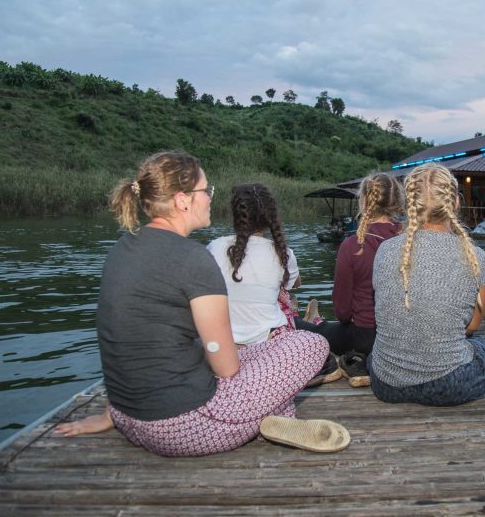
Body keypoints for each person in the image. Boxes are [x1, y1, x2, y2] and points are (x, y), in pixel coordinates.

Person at [54, 151, 350, 455]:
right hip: (186, 426)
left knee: (254, 351)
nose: (210, 197)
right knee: (309, 344)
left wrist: (112, 413)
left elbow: (128, 340)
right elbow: (225, 367)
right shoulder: (193, 258)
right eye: (205, 190)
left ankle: (272, 412)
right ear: (183, 200)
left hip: (126, 415)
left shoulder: (123, 247)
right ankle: (273, 413)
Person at [368, 163, 485, 406]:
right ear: (455, 203)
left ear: (408, 205)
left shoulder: (384, 250)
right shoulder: (476, 257)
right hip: (449, 385)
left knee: (377, 353)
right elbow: (473, 326)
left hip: (385, 383)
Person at [206, 183, 341, 385]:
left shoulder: (214, 247)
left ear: (236, 215)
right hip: (269, 347)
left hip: (224, 348)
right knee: (315, 340)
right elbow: (295, 284)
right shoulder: (282, 253)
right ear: (270, 217)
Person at [296, 172, 403, 387]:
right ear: (397, 202)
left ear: (363, 201)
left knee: (306, 327)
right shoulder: (409, 241)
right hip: (401, 337)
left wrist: (349, 319)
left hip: (364, 337)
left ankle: (305, 323)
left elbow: (342, 312)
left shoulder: (353, 245)